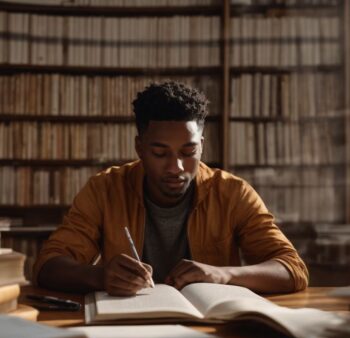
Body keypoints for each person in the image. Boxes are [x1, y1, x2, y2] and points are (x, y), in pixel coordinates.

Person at [33, 81, 308, 296]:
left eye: (188, 151)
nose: (176, 167)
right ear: (139, 147)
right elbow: (47, 265)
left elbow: (292, 269)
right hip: (128, 330)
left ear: (202, 144)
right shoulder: (105, 189)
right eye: (159, 153)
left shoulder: (232, 193)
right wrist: (100, 276)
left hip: (209, 330)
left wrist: (222, 275)